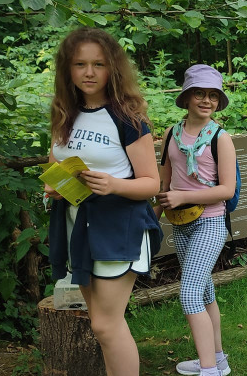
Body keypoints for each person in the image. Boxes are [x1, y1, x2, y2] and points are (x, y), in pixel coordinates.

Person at [46, 27, 161, 376]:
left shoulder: (128, 118)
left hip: (118, 228)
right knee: (99, 324)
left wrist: (113, 184)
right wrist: (55, 186)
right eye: (80, 64)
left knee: (107, 326)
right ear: (68, 69)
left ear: (113, 68)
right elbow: (55, 164)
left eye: (98, 64)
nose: (89, 72)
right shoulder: (65, 113)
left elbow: (151, 184)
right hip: (77, 225)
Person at [155, 64, 237, 376]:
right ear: (187, 97)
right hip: (180, 223)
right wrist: (154, 218)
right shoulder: (171, 135)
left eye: (213, 95)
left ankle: (208, 371)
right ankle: (217, 360)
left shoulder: (221, 138)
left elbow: (226, 190)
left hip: (210, 223)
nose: (206, 100)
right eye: (200, 94)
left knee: (188, 295)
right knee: (204, 293)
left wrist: (184, 196)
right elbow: (165, 183)